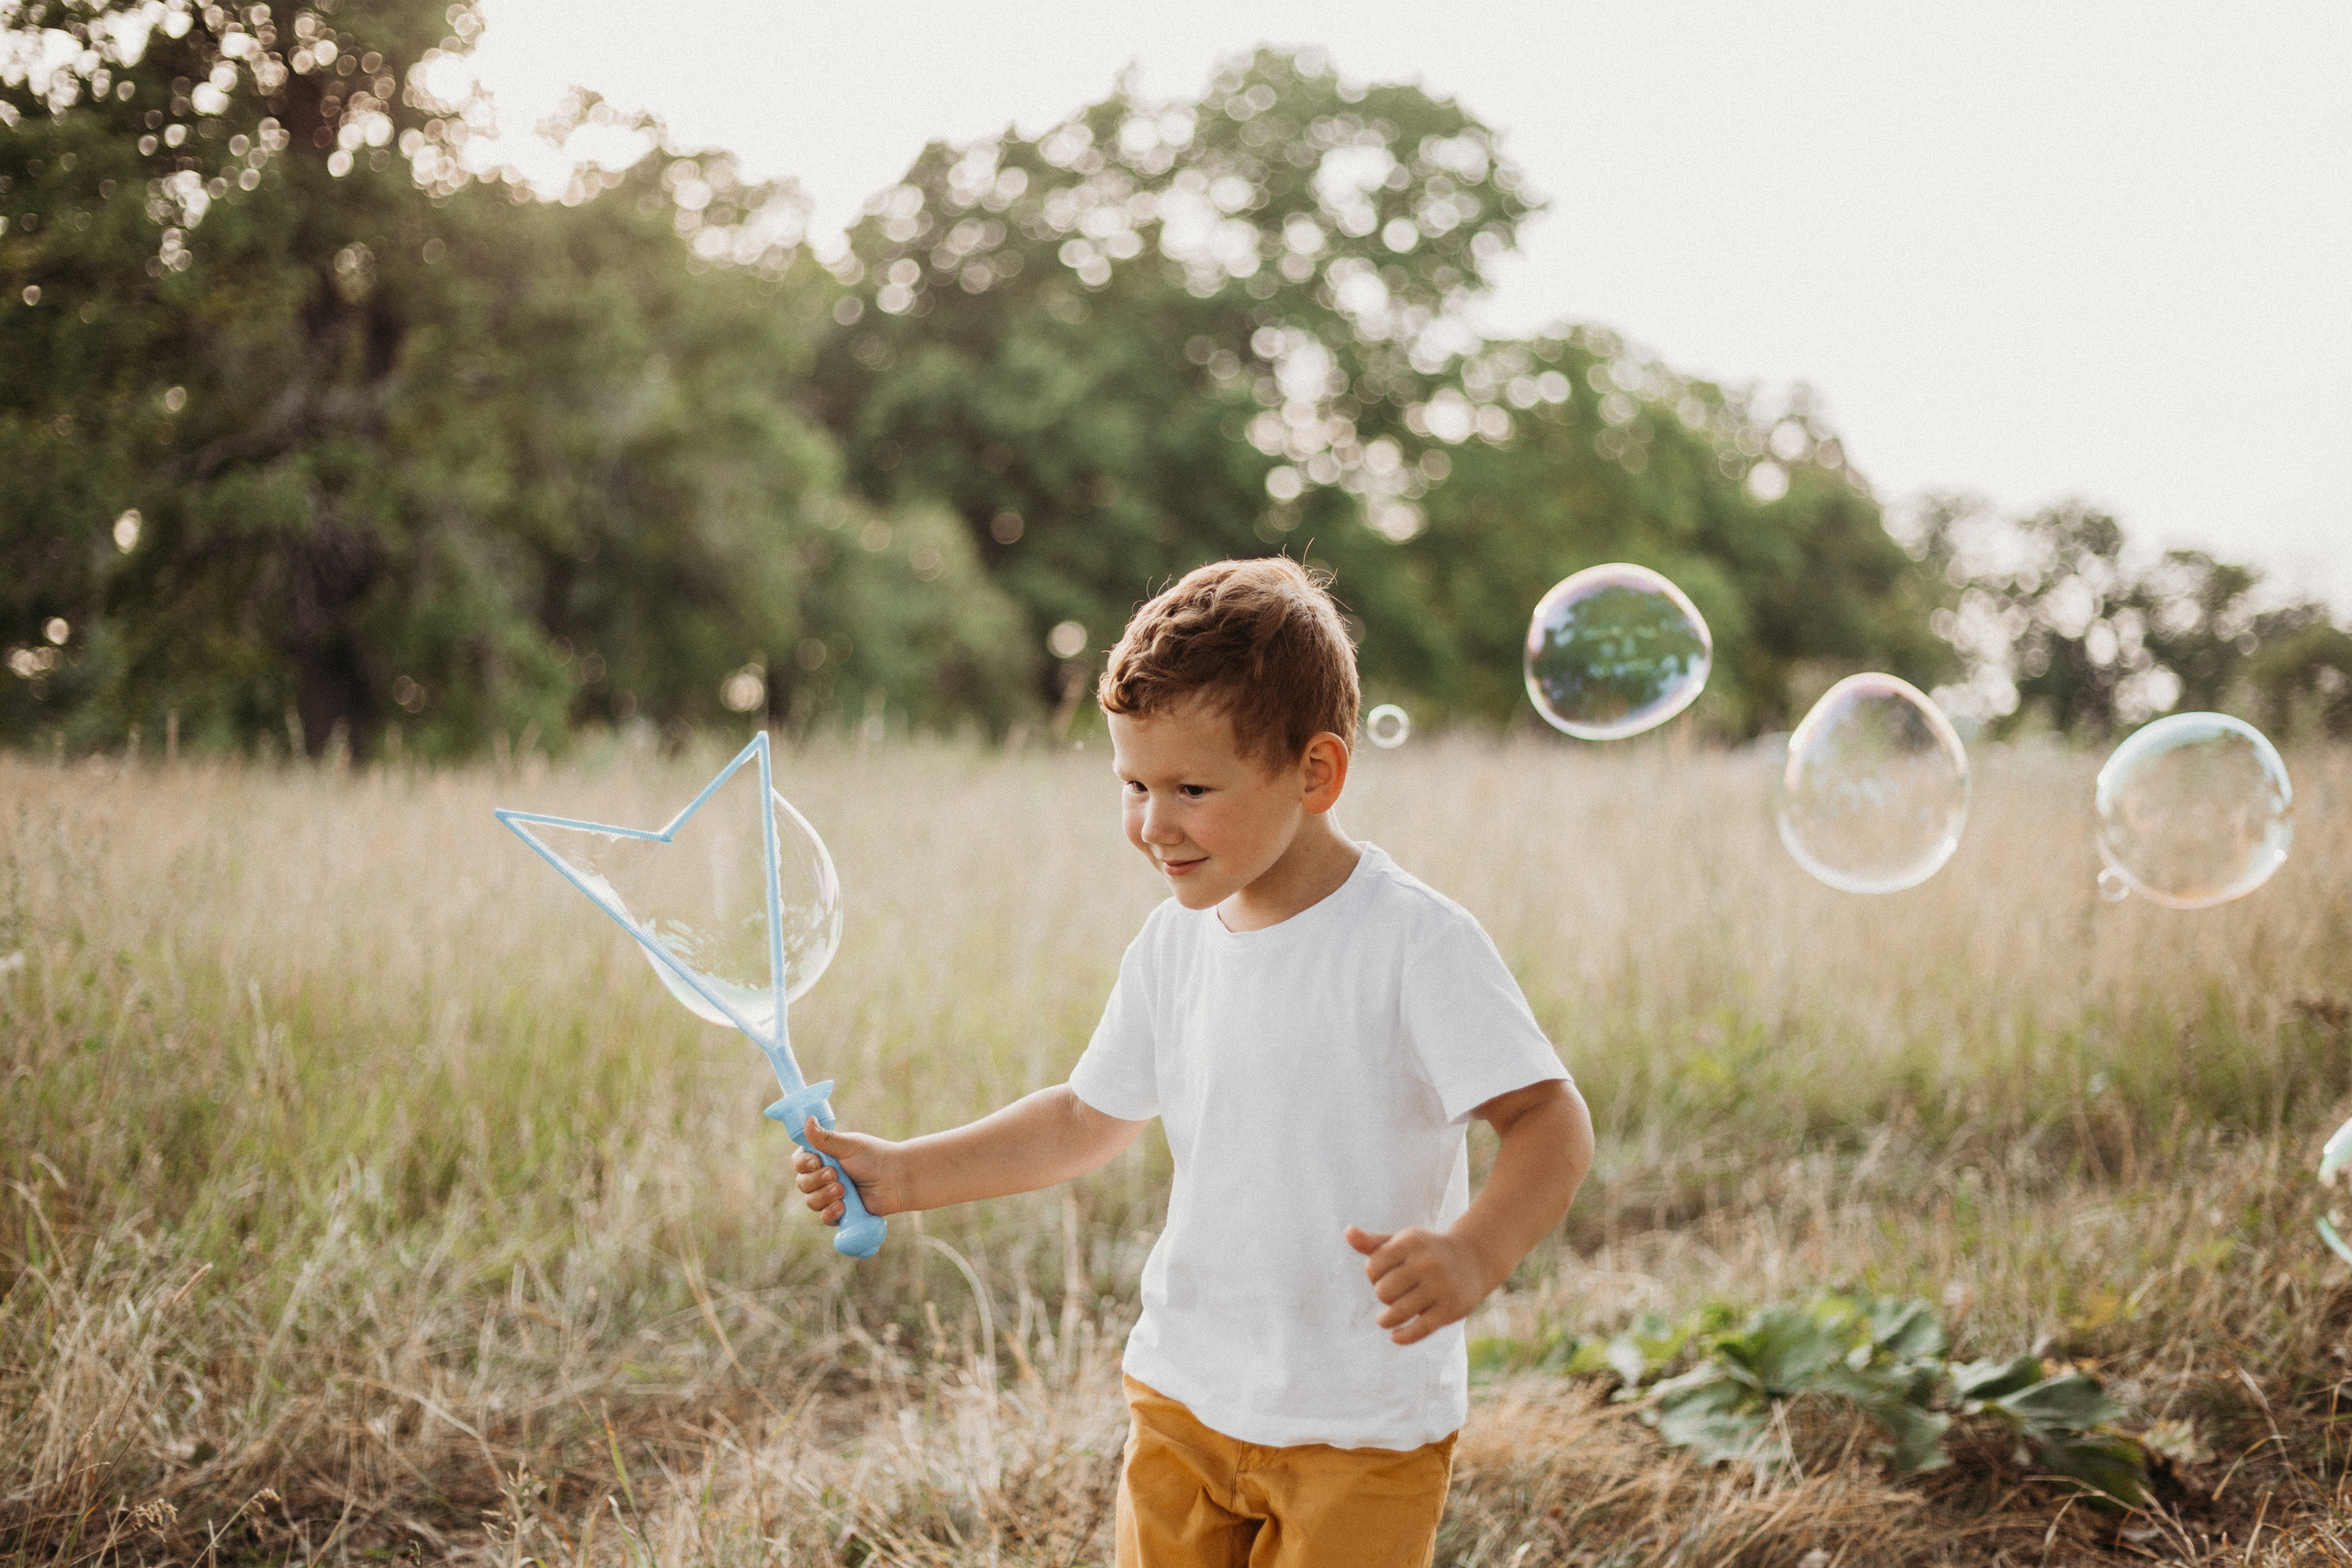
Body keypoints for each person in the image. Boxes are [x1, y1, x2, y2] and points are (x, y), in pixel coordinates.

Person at [793, 557, 1595, 1568]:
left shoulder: (1413, 943)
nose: (1151, 825)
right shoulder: (1173, 946)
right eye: (1132, 785)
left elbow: (1550, 1121)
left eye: (1190, 789)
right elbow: (1086, 1118)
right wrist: (905, 1173)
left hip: (1358, 1425)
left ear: (1315, 774)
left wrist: (1475, 1252)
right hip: (1185, 1393)